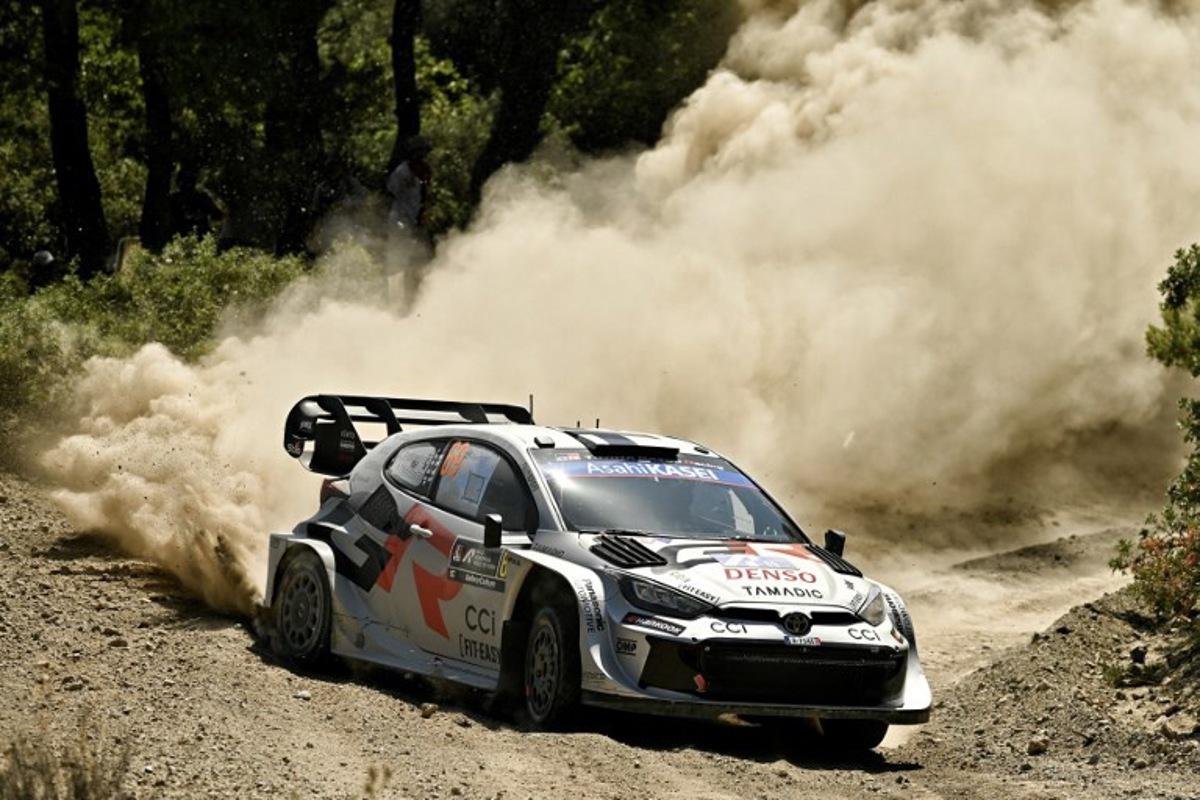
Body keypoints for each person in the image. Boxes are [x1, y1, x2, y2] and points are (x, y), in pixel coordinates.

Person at [385, 135, 432, 233]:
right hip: (400, 218)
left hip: (416, 219)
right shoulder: (402, 171)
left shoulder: (425, 170)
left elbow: (425, 194)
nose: (423, 155)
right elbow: (390, 192)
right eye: (420, 151)